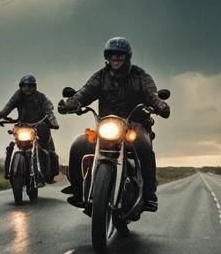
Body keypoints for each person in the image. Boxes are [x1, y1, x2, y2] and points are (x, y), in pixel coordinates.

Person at [58, 37, 170, 211]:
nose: (116, 59)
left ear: (127, 57)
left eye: (120, 55)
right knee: (79, 144)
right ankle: (78, 191)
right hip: (106, 126)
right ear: (107, 57)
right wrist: (70, 103)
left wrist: (159, 105)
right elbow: (85, 93)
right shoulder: (100, 76)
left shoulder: (140, 75)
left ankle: (148, 194)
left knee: (144, 145)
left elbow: (151, 94)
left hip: (135, 125)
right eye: (112, 55)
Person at [0, 74, 60, 182]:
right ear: (20, 86)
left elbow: (48, 109)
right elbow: (10, 105)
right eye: (24, 86)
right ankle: (9, 171)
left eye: (30, 86)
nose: (27, 88)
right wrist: (2, 114)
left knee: (46, 146)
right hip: (23, 125)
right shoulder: (18, 95)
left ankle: (48, 172)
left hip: (39, 124)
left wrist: (53, 121)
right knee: (12, 146)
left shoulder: (41, 97)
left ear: (34, 87)